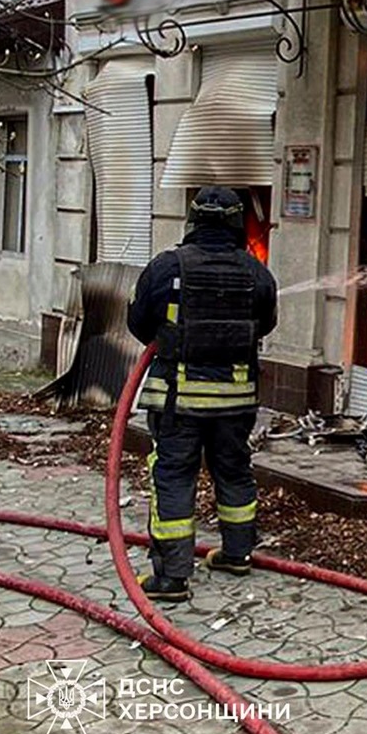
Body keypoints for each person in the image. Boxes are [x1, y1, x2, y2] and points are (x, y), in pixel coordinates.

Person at [127, 186, 278, 602]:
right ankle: (237, 554)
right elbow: (266, 323)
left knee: (174, 476)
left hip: (179, 401)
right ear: (236, 223)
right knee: (234, 470)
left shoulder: (165, 268)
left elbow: (139, 323)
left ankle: (172, 577)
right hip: (235, 401)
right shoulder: (257, 273)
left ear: (192, 220)